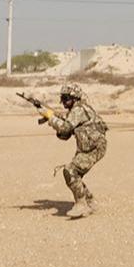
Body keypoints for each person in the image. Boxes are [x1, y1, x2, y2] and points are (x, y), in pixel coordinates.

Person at [38, 83, 108, 217]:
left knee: (70, 171)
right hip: (87, 147)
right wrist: (53, 119)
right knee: (76, 174)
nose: (63, 102)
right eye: (62, 98)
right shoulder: (75, 111)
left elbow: (65, 128)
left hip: (93, 148)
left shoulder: (79, 110)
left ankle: (81, 205)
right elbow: (64, 135)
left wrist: (51, 117)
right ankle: (90, 202)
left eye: (66, 98)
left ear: (75, 98)